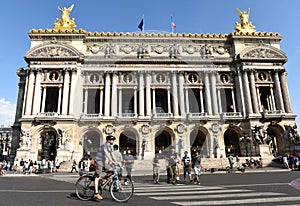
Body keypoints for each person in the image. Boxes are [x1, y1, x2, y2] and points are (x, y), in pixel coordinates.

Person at [94, 135, 117, 200]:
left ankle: (103, 179)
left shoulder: (110, 147)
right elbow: (106, 153)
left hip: (103, 161)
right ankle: (96, 193)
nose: (113, 141)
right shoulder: (104, 145)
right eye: (112, 140)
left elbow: (112, 154)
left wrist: (117, 162)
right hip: (99, 160)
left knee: (112, 171)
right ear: (109, 140)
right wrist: (112, 161)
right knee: (97, 176)